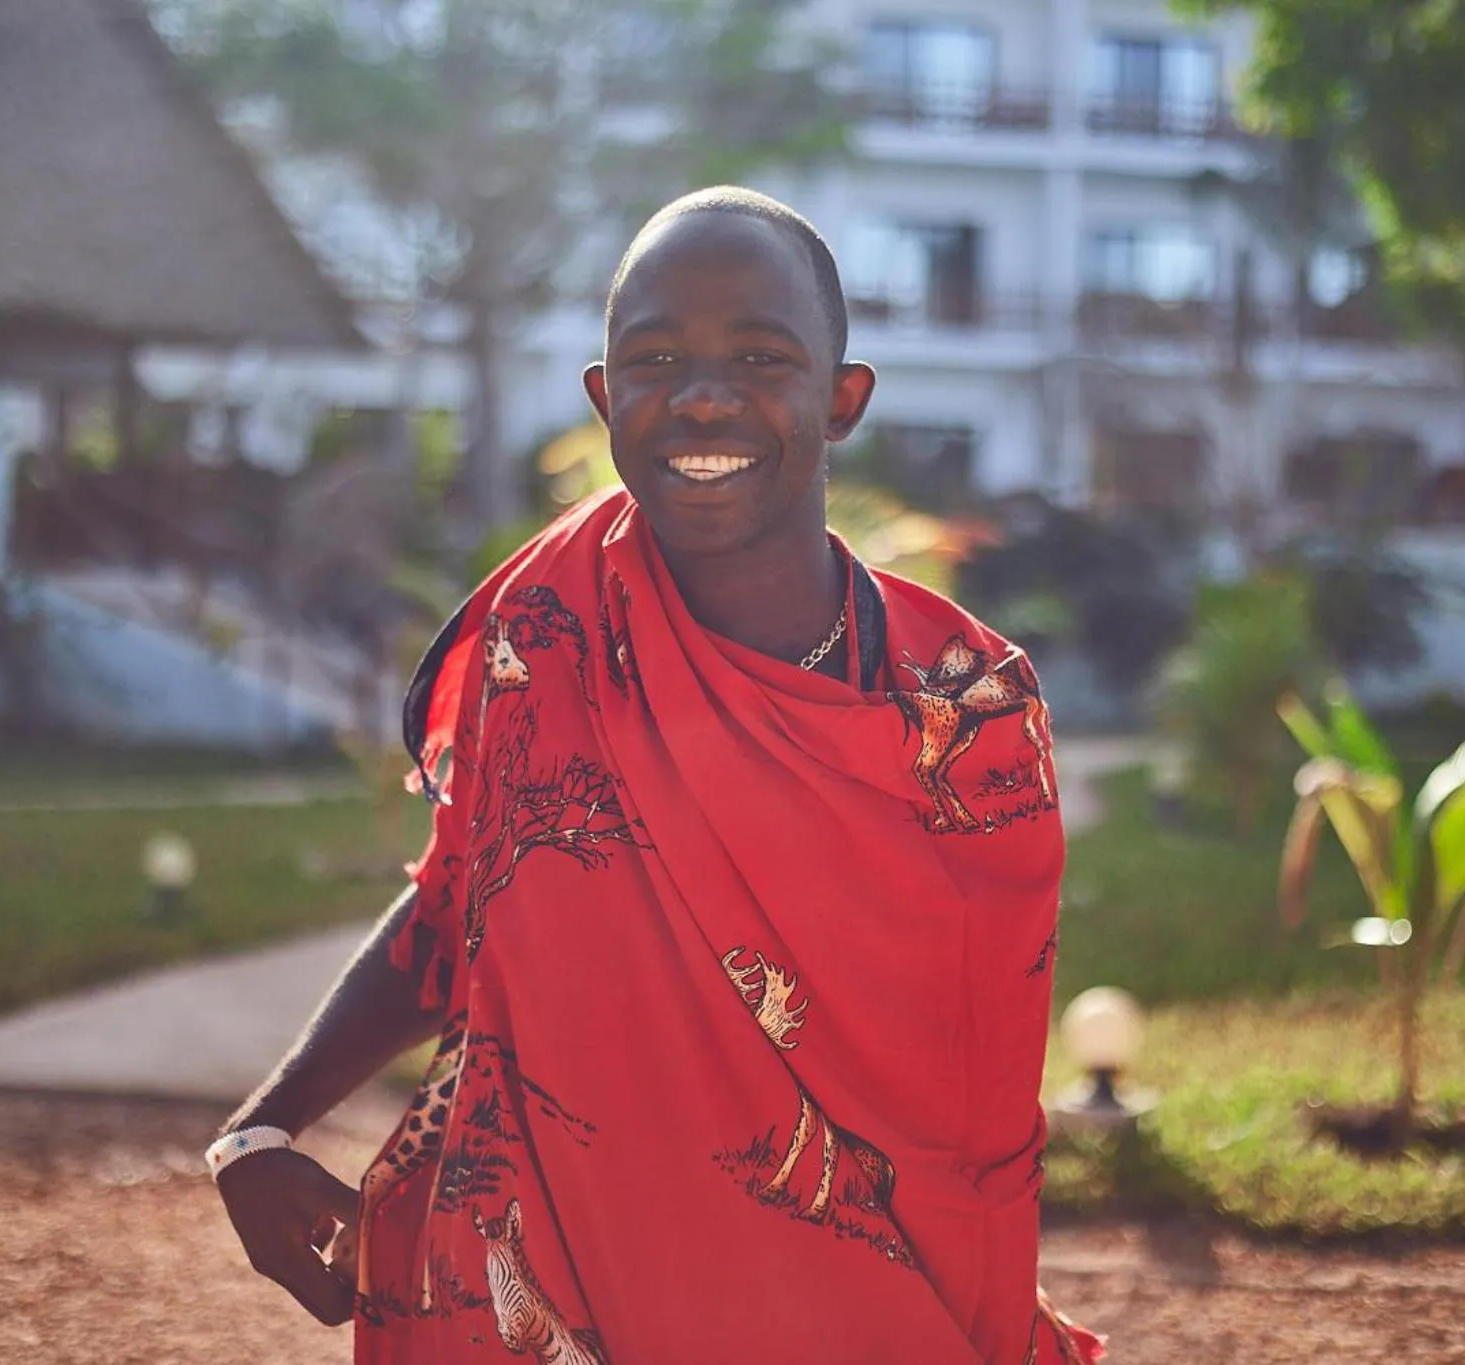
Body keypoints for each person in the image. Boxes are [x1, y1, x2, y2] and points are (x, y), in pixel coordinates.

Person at [209, 187, 1104, 1365]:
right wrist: (263, 1124)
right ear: (602, 395)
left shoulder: (966, 708)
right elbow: (458, 899)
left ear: (843, 400)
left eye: (760, 354)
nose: (702, 394)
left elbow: (981, 1127)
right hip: (535, 1287)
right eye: (657, 357)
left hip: (846, 1316)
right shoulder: (548, 627)